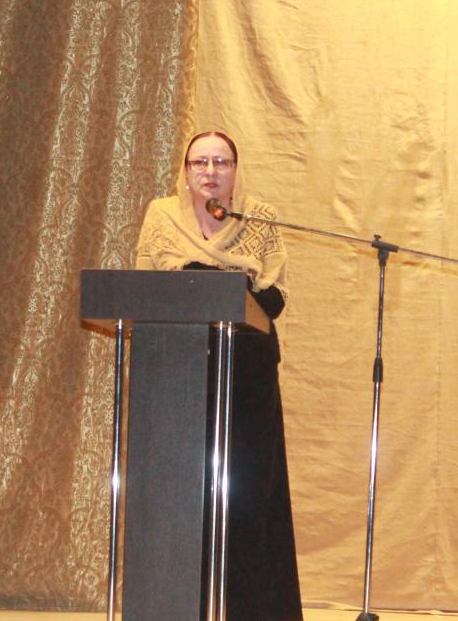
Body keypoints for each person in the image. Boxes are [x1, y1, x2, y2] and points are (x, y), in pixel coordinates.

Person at [135, 130, 303, 621]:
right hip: (176, 369)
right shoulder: (160, 215)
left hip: (247, 370)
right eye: (200, 162)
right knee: (179, 490)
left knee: (248, 491)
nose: (210, 172)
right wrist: (227, 279)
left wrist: (205, 276)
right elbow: (144, 284)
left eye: (221, 162)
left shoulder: (260, 217)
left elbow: (274, 296)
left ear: (236, 169)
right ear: (185, 171)